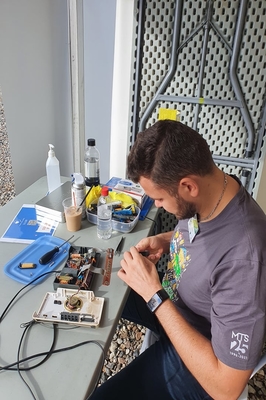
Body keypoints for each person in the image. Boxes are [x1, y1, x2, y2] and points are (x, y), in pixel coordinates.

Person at [90, 120, 266, 400]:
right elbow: (208, 232)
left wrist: (154, 295)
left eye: (158, 198)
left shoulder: (244, 261)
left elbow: (226, 388)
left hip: (198, 353)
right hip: (174, 301)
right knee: (99, 279)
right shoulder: (218, 188)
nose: (156, 206)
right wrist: (167, 239)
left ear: (188, 186)